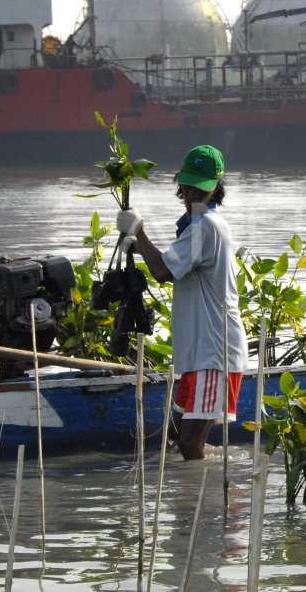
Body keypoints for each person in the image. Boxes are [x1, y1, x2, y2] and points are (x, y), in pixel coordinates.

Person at [115, 144, 247, 460]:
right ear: (180, 183)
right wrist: (137, 245)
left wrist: (140, 232)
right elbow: (171, 264)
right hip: (196, 352)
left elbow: (162, 271)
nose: (191, 194)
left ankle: (209, 503)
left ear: (216, 187)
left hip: (214, 352)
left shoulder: (207, 226)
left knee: (189, 444)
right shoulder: (195, 225)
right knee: (175, 435)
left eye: (199, 188)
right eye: (187, 186)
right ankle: (197, 490)